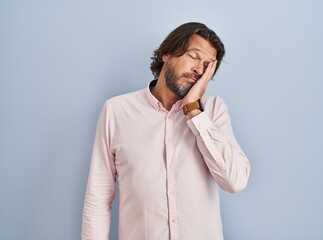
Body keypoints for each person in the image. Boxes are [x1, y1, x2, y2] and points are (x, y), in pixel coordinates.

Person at [82, 22, 250, 240]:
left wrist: (194, 110)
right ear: (166, 54)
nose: (198, 69)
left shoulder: (213, 111)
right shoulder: (116, 111)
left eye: (207, 66)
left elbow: (235, 181)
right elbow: (98, 197)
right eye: (193, 56)